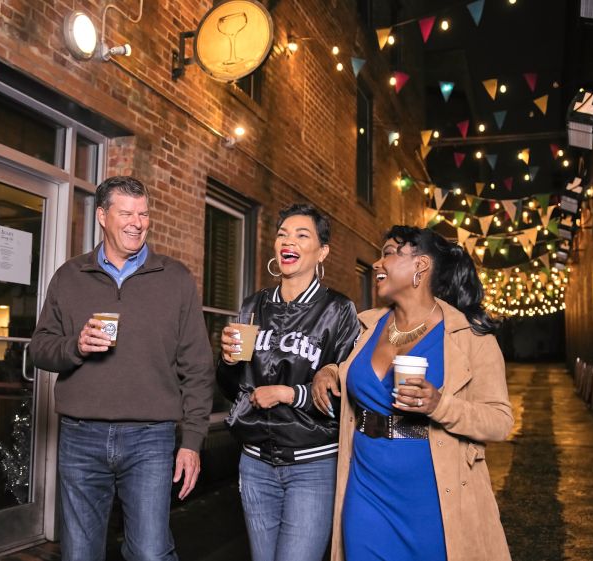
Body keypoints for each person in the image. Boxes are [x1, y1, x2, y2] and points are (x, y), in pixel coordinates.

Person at [29, 176, 214, 561]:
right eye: (126, 213)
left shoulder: (175, 278)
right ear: (102, 216)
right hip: (80, 435)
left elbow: (198, 366)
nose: (137, 222)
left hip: (151, 438)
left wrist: (193, 441)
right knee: (79, 554)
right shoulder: (70, 276)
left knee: (150, 553)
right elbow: (39, 349)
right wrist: (76, 346)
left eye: (143, 214)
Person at [312, 225, 513, 561]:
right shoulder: (366, 326)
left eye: (389, 253)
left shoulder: (469, 337)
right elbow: (347, 367)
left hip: (432, 494)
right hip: (366, 488)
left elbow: (500, 421)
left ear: (421, 265)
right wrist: (328, 372)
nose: (377, 264)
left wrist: (439, 404)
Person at [216, 204, 361, 561]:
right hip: (255, 463)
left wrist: (289, 394)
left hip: (312, 465)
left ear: (322, 252)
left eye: (301, 235)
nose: (288, 241)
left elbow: (347, 394)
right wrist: (227, 361)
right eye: (282, 234)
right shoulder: (254, 305)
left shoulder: (338, 310)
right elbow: (233, 388)